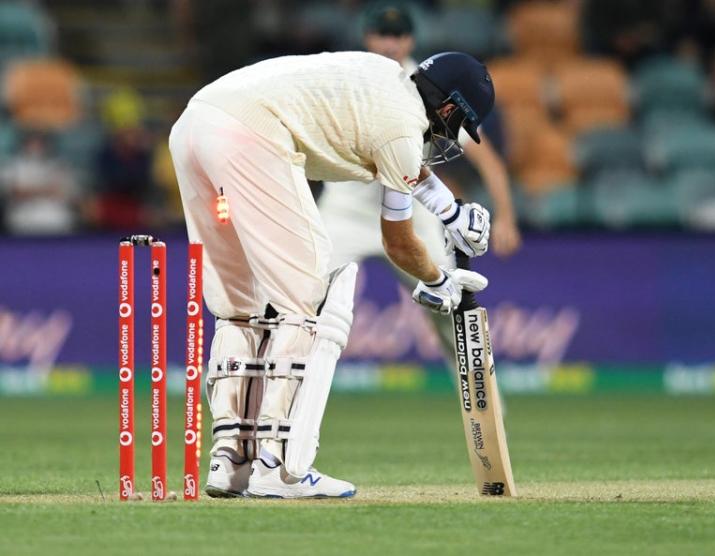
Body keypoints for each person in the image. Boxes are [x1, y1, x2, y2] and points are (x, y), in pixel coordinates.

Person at [168, 49, 495, 499]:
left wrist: (450, 211)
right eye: (456, 123)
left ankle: (231, 460)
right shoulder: (403, 128)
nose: (449, 135)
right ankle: (278, 468)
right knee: (305, 294)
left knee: (240, 304)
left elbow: (401, 164)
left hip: (193, 126)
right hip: (248, 136)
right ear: (447, 107)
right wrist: (440, 280)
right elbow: (398, 241)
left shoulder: (386, 80)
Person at [318, 3, 519, 370]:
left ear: (410, 40)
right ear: (368, 38)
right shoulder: (349, 75)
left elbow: (486, 158)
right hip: (345, 209)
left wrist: (506, 216)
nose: (390, 44)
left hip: (409, 207)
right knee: (306, 301)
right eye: (383, 34)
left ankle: (486, 402)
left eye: (398, 36)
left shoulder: (432, 88)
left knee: (453, 305)